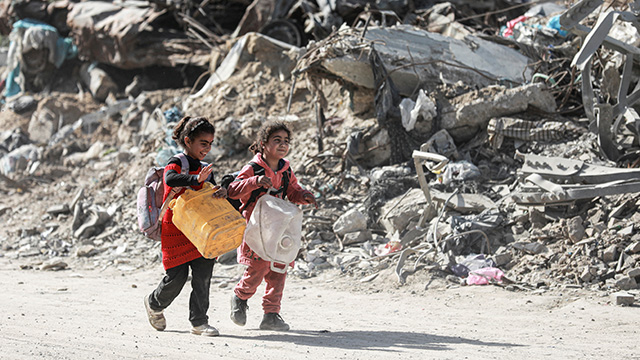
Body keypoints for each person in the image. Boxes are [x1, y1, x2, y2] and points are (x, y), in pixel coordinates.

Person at [227, 121, 317, 331]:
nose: (283, 144)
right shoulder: (253, 168)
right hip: (256, 228)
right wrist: (255, 181)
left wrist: (304, 196)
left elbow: (293, 190)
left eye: (286, 141)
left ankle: (271, 314)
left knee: (279, 267)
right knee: (258, 267)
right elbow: (232, 190)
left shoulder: (286, 170)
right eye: (277, 140)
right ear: (263, 144)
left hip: (280, 227)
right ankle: (240, 296)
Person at [144, 116, 226, 337]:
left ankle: (199, 322)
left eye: (210, 144)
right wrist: (196, 180)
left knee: (204, 275)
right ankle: (154, 303)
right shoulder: (178, 161)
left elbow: (208, 191)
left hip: (200, 229)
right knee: (177, 277)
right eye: (203, 143)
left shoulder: (205, 168)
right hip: (177, 228)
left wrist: (219, 192)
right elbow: (170, 179)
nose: (207, 148)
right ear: (188, 141)